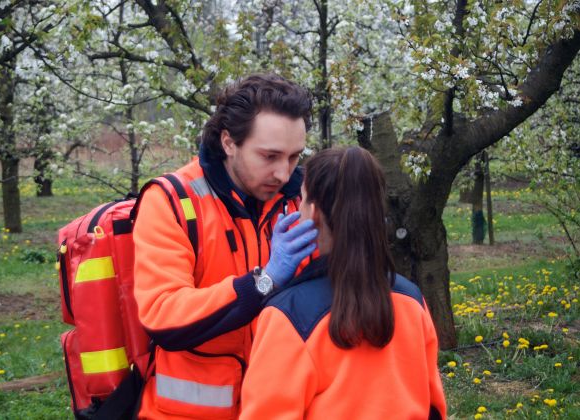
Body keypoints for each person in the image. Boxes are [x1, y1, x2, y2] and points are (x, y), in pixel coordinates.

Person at [133, 74, 318, 419]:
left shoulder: (302, 199)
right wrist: (264, 282)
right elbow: (164, 316)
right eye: (269, 156)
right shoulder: (172, 201)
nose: (282, 173)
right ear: (229, 142)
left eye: (294, 157)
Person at [240, 147, 447, 419]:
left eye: (301, 198)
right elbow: (433, 407)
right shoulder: (412, 299)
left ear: (312, 213)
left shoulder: (287, 316)